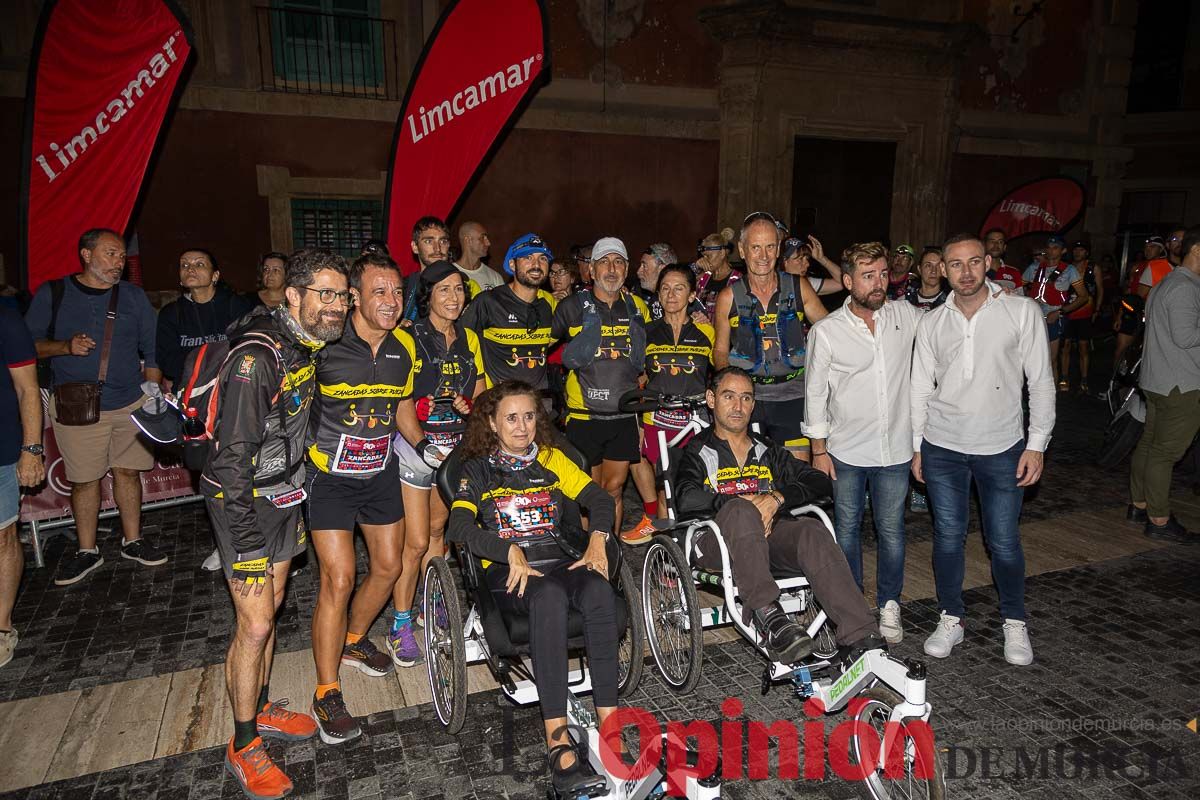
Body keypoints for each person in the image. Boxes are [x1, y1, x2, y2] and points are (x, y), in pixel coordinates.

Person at [200, 249, 349, 799]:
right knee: (256, 624)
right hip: (242, 500)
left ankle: (260, 709)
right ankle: (243, 745)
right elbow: (229, 461)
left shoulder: (305, 342)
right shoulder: (258, 357)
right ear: (294, 296)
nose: (335, 307)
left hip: (284, 491)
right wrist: (245, 544)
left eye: (341, 295)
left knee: (276, 602)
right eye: (324, 295)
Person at [448, 381, 619, 798]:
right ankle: (558, 741)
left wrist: (597, 538)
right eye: (511, 417)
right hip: (511, 574)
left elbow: (598, 499)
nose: (522, 427)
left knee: (598, 591)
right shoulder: (475, 470)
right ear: (492, 422)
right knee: (550, 597)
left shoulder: (552, 460)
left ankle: (612, 730)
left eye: (528, 416)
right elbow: (460, 528)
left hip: (559, 558)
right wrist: (507, 550)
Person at [674, 367, 884, 663]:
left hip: (768, 543)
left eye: (746, 398)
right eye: (729, 396)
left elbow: (820, 482)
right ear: (711, 399)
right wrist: (736, 503)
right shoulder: (696, 451)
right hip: (716, 546)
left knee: (810, 529)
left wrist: (777, 498)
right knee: (740, 509)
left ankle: (862, 634)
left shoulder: (767, 451)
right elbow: (685, 497)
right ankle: (770, 617)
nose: (738, 406)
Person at [912, 233, 1055, 667]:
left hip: (1002, 448)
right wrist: (917, 446)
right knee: (948, 539)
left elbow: (1041, 381)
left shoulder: (1021, 311)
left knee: (1004, 542)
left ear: (988, 262)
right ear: (942, 270)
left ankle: (1015, 621)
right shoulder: (932, 322)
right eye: (955, 264)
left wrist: (1037, 444)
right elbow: (919, 387)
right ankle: (951, 616)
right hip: (943, 447)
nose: (966, 271)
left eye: (974, 261)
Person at [303, 252, 412, 743]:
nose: (390, 302)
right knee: (339, 578)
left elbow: (403, 407)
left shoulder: (402, 348)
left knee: (389, 567)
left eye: (397, 292)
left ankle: (352, 639)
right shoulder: (324, 346)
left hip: (381, 473)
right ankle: (327, 692)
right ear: (354, 298)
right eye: (378, 292)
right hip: (330, 479)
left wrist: (430, 446)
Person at [25, 228, 167, 586]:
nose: (118, 262)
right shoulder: (54, 294)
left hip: (130, 402)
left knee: (128, 472)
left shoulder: (133, 297)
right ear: (86, 255)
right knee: (85, 481)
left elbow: (153, 351)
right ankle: (87, 550)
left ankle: (132, 541)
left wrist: (152, 398)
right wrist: (64, 347)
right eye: (110, 254)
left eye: (121, 256)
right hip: (77, 405)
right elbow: (27, 347)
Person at [804, 242, 921, 645]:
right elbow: (815, 395)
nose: (878, 283)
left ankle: (890, 604)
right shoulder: (826, 331)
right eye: (868, 276)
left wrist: (997, 293)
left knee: (892, 531)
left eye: (883, 274)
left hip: (894, 451)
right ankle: (852, 609)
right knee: (847, 531)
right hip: (846, 452)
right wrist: (818, 451)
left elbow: (948, 320)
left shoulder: (905, 316)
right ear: (848, 281)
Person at [389, 261, 485, 665]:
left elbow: (480, 393)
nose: (453, 297)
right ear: (427, 296)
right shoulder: (409, 338)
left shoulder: (469, 339)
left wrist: (471, 408)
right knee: (413, 542)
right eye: (443, 290)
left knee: (436, 532)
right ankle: (400, 624)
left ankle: (430, 603)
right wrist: (421, 443)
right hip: (417, 450)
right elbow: (401, 401)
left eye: (459, 289)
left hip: (454, 450)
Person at [552, 237, 651, 544]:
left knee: (615, 490)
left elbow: (648, 361)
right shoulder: (569, 308)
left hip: (622, 416)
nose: (612, 268)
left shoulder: (638, 308)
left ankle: (610, 556)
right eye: (604, 262)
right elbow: (542, 348)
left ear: (626, 269)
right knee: (588, 494)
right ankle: (587, 560)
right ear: (591, 270)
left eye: (618, 262)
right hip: (584, 417)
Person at [713, 212, 826, 462]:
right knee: (751, 476)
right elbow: (720, 351)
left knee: (795, 479)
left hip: (794, 397)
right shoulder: (727, 297)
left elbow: (829, 332)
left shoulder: (799, 287)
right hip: (748, 402)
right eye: (755, 248)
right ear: (742, 250)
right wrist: (730, 388)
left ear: (778, 250)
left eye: (770, 247)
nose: (763, 256)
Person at [1127, 226, 1200, 544]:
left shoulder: (1167, 282)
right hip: (1180, 383)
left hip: (1159, 380)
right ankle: (1158, 520)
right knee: (1165, 453)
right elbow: (1186, 337)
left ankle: (1138, 505)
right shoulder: (1184, 286)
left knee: (1150, 445)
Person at [638, 265, 714, 512]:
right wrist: (637, 425)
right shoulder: (646, 333)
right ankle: (667, 545)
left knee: (699, 487)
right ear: (659, 295)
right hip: (657, 423)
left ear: (692, 295)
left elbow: (720, 377)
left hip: (696, 424)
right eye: (665, 289)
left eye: (679, 288)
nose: (671, 295)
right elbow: (637, 380)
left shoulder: (707, 331)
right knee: (665, 491)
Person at [0, 308, 45, 668]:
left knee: (1, 537)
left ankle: (1, 627)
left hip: (0, 449)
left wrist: (31, 449)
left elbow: (28, 388)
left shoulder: (6, 318)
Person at [462, 234, 558, 393]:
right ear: (512, 264)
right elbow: (460, 343)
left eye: (543, 258)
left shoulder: (549, 303)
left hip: (539, 402)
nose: (536, 265)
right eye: (528, 258)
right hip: (498, 402)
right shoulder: (489, 302)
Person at [156, 248, 255, 389]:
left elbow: (246, 349)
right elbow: (169, 363)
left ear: (215, 276)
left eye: (199, 264)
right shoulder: (171, 313)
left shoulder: (236, 305)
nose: (190, 269)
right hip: (189, 391)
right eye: (184, 265)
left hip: (230, 388)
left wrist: (194, 359)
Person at [1023, 235, 1089, 391]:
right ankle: (1029, 393)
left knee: (1051, 359)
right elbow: (1019, 287)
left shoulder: (1070, 270)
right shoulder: (1034, 267)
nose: (1051, 251)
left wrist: (1061, 311)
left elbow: (1084, 296)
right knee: (1030, 358)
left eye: (1055, 248)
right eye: (1049, 247)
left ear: (1063, 251)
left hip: (1053, 318)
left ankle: (1050, 396)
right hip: (1033, 318)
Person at [1061, 241, 1102, 394]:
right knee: (1065, 346)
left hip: (1085, 312)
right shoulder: (1066, 267)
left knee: (1083, 347)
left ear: (1087, 252)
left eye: (1081, 249)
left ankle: (1084, 380)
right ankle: (1064, 377)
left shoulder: (1093, 268)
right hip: (1068, 311)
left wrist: (1097, 309)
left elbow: (1100, 288)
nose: (1078, 252)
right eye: (1076, 249)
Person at [695, 228, 739, 321]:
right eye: (704, 256)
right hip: (703, 333)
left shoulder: (736, 280)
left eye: (709, 256)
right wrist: (696, 267)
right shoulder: (703, 278)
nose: (705, 259)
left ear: (722, 253)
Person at [780, 235, 845, 297]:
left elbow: (842, 282)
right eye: (800, 259)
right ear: (785, 261)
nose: (807, 264)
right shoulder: (772, 285)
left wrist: (822, 259)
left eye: (807, 259)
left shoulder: (807, 284)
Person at [455, 220, 505, 291]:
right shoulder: (449, 273)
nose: (488, 243)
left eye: (487, 238)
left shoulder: (495, 277)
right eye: (482, 238)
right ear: (468, 240)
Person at [635, 243, 677, 318]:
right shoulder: (648, 297)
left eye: (644, 266)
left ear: (662, 269)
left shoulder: (682, 299)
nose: (638, 271)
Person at [907, 247, 949, 312]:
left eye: (938, 266)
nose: (933, 271)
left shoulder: (949, 303)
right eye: (928, 265)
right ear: (919, 269)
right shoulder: (905, 301)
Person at [983, 228, 1023, 293]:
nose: (996, 245)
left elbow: (1021, 298)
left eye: (1000, 242)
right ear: (984, 245)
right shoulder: (977, 270)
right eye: (992, 241)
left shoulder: (1014, 272)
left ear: (1004, 247)